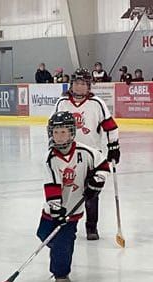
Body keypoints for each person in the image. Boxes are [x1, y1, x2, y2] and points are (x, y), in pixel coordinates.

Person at [37, 111, 109, 282]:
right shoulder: (50, 158)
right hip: (53, 210)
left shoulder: (86, 152)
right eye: (55, 132)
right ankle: (62, 248)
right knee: (43, 234)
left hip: (74, 210)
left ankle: (61, 273)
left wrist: (97, 182)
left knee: (63, 241)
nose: (59, 136)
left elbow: (102, 164)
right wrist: (56, 209)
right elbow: (51, 185)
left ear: (71, 132)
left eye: (63, 132)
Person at [52, 68, 121, 240]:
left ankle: (91, 227)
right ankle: (64, 222)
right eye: (76, 83)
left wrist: (114, 146)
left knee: (92, 191)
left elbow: (110, 126)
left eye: (83, 83)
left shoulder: (97, 103)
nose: (79, 87)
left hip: (91, 155)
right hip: (67, 153)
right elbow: (53, 126)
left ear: (88, 86)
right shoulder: (62, 102)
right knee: (65, 188)